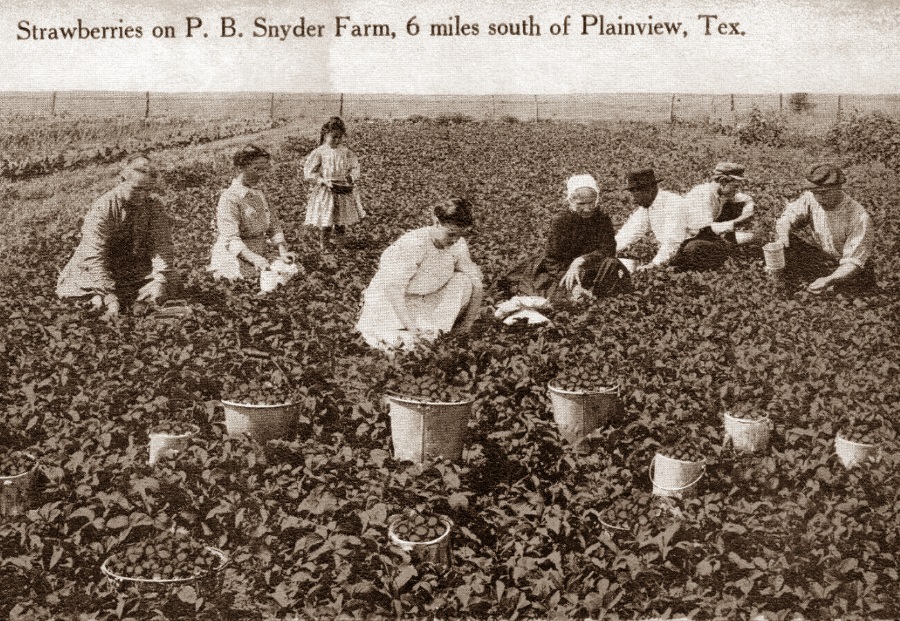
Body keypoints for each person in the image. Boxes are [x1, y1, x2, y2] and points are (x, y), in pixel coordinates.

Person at [356, 197, 484, 351]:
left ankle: (437, 331)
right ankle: (419, 334)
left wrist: (465, 327)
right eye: (450, 234)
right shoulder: (414, 244)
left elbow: (477, 284)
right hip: (393, 303)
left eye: (460, 235)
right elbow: (393, 290)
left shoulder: (458, 245)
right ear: (436, 222)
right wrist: (412, 330)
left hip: (425, 299)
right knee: (405, 346)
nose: (455, 240)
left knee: (464, 281)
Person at [56, 154, 176, 317]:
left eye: (147, 190)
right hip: (96, 269)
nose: (141, 196)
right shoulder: (103, 207)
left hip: (131, 268)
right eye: (137, 189)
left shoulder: (154, 206)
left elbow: (162, 246)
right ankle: (101, 298)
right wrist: (109, 295)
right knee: (92, 298)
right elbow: (93, 255)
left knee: (171, 281)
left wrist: (160, 280)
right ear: (122, 181)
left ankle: (136, 300)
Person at [503, 174, 630, 303]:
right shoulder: (561, 221)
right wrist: (571, 281)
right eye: (581, 204)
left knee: (611, 268)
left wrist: (581, 260)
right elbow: (552, 260)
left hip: (592, 266)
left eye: (591, 202)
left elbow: (608, 250)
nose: (587, 209)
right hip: (562, 270)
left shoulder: (602, 219)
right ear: (570, 201)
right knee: (561, 296)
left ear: (596, 199)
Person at [774, 163, 876, 295]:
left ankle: (827, 286)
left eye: (824, 193)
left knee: (848, 293)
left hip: (853, 270)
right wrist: (782, 238)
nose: (819, 198)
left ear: (838, 187)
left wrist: (829, 280)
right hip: (826, 259)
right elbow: (787, 218)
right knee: (786, 241)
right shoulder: (812, 198)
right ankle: (791, 284)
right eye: (815, 192)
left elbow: (853, 263)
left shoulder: (859, 217)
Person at [208, 144, 297, 281]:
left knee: (291, 271)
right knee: (257, 280)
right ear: (240, 168)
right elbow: (231, 239)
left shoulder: (259, 194)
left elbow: (274, 225)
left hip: (260, 250)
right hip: (237, 254)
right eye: (256, 169)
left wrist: (282, 251)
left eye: (264, 170)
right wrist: (254, 259)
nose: (261, 174)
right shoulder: (229, 198)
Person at [671, 162, 755, 270]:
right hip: (685, 242)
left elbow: (745, 198)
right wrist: (737, 222)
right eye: (735, 186)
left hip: (703, 237)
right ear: (723, 181)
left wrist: (749, 208)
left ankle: (726, 250)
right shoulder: (702, 194)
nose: (736, 190)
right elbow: (705, 229)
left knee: (743, 238)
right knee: (695, 249)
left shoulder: (719, 192)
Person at [304, 117, 366, 249]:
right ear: (325, 135)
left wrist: (351, 177)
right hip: (326, 190)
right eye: (333, 137)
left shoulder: (346, 152)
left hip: (342, 189)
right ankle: (324, 246)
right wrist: (322, 180)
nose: (337, 140)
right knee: (326, 220)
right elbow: (309, 172)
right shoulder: (320, 152)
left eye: (339, 137)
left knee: (340, 220)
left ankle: (340, 245)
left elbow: (355, 167)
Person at [615, 168, 688, 270]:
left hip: (691, 249)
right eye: (632, 191)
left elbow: (673, 242)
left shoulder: (673, 204)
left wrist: (653, 265)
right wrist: (606, 250)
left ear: (650, 189)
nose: (633, 198)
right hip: (675, 252)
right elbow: (630, 231)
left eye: (636, 191)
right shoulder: (647, 206)